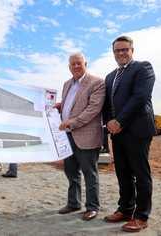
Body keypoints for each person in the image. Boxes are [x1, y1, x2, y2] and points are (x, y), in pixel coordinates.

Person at [103, 36, 156, 232]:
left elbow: (140, 97)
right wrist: (109, 121)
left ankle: (142, 216)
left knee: (140, 174)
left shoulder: (143, 68)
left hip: (137, 130)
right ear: (113, 53)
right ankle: (125, 209)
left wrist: (120, 121)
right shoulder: (110, 77)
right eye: (117, 50)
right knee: (123, 173)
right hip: (117, 132)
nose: (121, 53)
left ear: (132, 50)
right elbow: (107, 103)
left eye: (125, 49)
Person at [57, 52, 105, 221]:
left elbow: (93, 109)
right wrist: (59, 107)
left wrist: (72, 122)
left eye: (79, 63)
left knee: (89, 173)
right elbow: (69, 105)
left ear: (86, 63)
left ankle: (92, 207)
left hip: (87, 136)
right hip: (67, 136)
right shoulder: (66, 84)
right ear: (69, 67)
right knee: (71, 172)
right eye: (72, 64)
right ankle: (73, 203)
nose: (76, 66)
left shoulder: (97, 83)